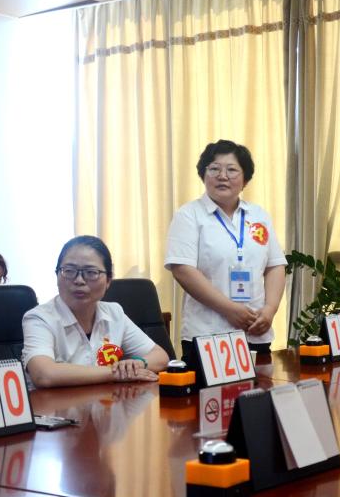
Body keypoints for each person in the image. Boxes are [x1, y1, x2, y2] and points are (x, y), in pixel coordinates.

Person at [165, 139, 287, 359]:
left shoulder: (258, 216)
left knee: (259, 382)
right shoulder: (189, 215)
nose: (222, 176)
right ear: (203, 175)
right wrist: (230, 310)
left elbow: (275, 266)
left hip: (254, 333)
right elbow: (183, 270)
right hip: (207, 334)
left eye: (231, 170)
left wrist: (270, 310)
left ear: (245, 180)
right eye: (214, 169)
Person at [22, 236, 170, 387]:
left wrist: (137, 364)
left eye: (91, 272)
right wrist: (116, 373)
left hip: (108, 400)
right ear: (57, 275)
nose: (79, 280)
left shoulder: (114, 313)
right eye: (69, 271)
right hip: (55, 402)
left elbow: (160, 357)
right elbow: (43, 375)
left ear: (108, 280)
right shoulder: (39, 318)